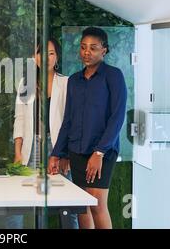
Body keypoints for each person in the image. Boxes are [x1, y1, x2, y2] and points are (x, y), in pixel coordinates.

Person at [48, 27, 127, 229]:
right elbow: (68, 120)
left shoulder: (113, 76)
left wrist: (99, 152)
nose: (86, 52)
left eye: (93, 48)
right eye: (83, 47)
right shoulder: (74, 80)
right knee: (82, 205)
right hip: (76, 149)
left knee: (97, 204)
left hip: (102, 151)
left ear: (104, 50)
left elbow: (117, 118)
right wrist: (57, 154)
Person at [9, 38, 78, 229]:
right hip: (32, 147)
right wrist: (18, 151)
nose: (46, 57)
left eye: (51, 53)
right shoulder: (26, 83)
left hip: (58, 148)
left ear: (57, 57)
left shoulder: (66, 83)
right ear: (34, 57)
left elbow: (71, 122)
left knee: (67, 202)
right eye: (41, 52)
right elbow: (19, 119)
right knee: (21, 198)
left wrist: (66, 154)